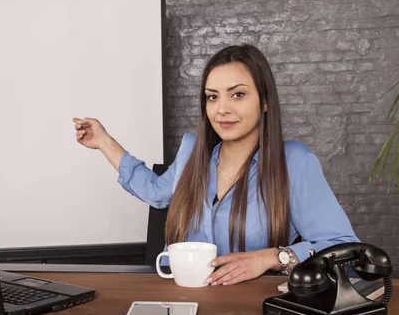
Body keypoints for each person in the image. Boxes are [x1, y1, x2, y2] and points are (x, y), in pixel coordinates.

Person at [73, 44, 359, 286]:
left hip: (250, 313)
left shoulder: (294, 162)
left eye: (238, 94)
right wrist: (104, 142)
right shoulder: (193, 154)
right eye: (213, 96)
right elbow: (155, 193)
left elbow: (342, 246)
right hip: (179, 299)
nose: (222, 109)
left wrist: (271, 257)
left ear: (265, 101)